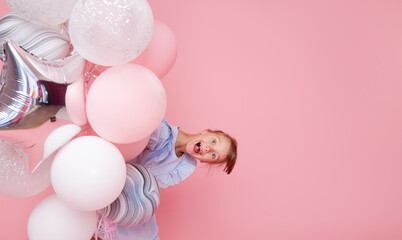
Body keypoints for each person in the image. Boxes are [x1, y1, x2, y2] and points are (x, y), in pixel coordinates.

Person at [94, 118, 237, 240]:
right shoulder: (161, 132)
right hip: (113, 177)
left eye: (213, 156)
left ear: (205, 162)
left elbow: (154, 184)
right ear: (206, 131)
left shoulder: (186, 166)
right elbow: (128, 146)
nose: (208, 149)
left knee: (143, 230)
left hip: (136, 199)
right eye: (213, 141)